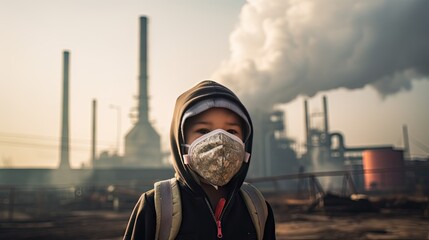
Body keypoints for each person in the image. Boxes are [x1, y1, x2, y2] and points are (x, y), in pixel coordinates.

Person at [123, 80, 276, 239]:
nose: (220, 141)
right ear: (181, 142)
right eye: (203, 131)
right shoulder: (156, 206)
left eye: (231, 131)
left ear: (246, 142)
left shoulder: (257, 207)